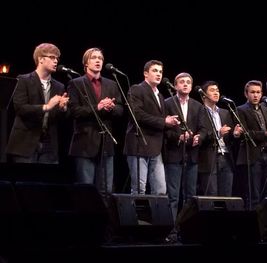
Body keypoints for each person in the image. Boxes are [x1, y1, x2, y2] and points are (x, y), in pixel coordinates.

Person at [67, 47, 124, 196]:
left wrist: (111, 107)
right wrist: (97, 107)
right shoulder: (76, 83)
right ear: (86, 62)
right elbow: (74, 111)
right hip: (85, 143)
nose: (98, 60)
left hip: (106, 144)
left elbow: (121, 110)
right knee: (85, 191)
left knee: (107, 190)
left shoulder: (111, 84)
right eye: (94, 58)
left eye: (100, 58)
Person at [124, 60, 179, 195]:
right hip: (139, 145)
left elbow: (162, 120)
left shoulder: (160, 96)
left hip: (155, 147)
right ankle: (136, 217)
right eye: (155, 71)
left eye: (160, 71)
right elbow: (137, 115)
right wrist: (164, 121)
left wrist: (172, 124)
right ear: (145, 73)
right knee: (139, 189)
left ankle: (156, 217)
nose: (159, 74)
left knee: (160, 190)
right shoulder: (137, 89)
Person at [6, 43, 69, 164]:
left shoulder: (59, 86)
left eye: (57, 58)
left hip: (49, 145)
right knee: (25, 182)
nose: (56, 61)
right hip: (25, 143)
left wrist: (62, 109)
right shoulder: (23, 80)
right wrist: (47, 107)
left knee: (46, 182)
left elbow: (60, 119)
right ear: (40, 59)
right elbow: (20, 108)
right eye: (52, 57)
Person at [163, 72, 204, 222]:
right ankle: (172, 229)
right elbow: (164, 129)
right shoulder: (167, 103)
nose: (185, 84)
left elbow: (203, 128)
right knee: (173, 196)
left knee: (190, 196)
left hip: (192, 155)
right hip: (174, 154)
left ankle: (187, 228)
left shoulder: (198, 105)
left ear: (191, 86)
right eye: (182, 82)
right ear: (175, 85)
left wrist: (199, 137)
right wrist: (178, 137)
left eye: (188, 82)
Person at [235, 80, 267, 210]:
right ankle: (254, 225)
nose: (255, 95)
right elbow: (245, 133)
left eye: (258, 92)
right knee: (254, 195)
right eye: (252, 92)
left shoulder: (266, 109)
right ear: (246, 94)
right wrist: (265, 134)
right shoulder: (240, 110)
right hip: (252, 156)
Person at [197, 80, 241, 196]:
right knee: (211, 195)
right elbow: (201, 135)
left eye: (217, 90)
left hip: (226, 157)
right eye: (212, 91)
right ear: (204, 95)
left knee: (226, 195)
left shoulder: (225, 112)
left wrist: (235, 134)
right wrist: (217, 133)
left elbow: (229, 136)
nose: (216, 93)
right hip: (209, 157)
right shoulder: (199, 111)